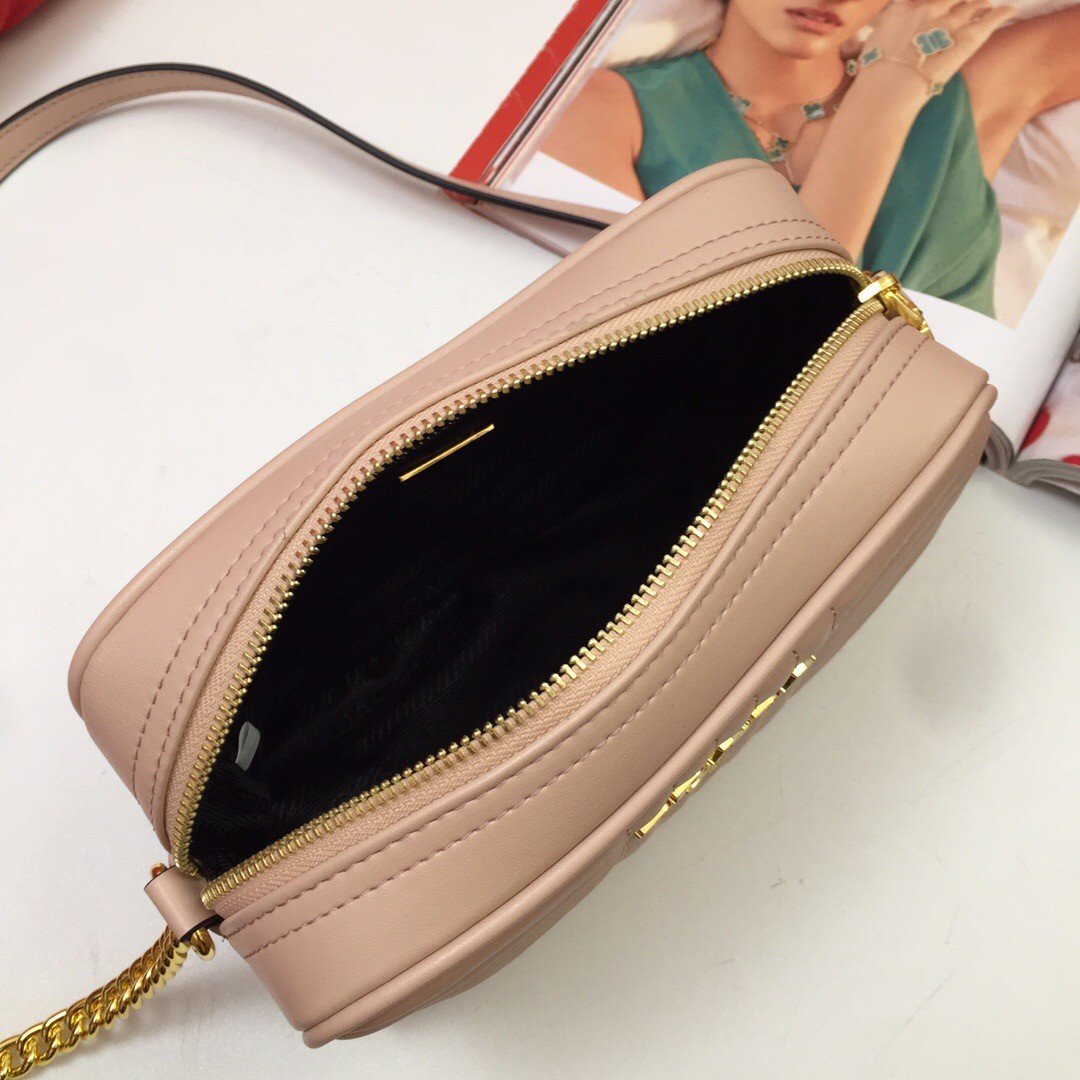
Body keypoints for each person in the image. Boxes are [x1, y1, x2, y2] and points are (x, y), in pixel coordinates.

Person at [544, 0, 1080, 317]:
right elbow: (784, 331)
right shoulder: (606, 111)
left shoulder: (945, 105)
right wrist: (886, 91)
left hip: (938, 446)